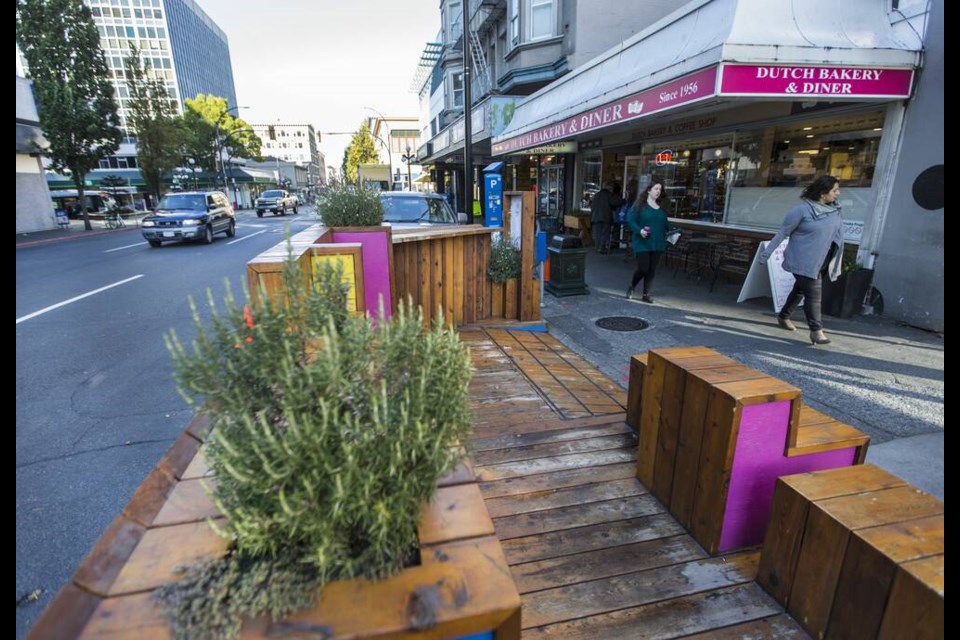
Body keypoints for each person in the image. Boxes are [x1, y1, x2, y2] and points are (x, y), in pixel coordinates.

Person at [758, 175, 843, 345]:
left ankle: (783, 316)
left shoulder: (835, 210)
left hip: (824, 261)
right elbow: (783, 232)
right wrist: (765, 255)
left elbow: (837, 236)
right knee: (814, 294)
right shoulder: (801, 210)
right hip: (803, 260)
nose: (838, 194)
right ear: (822, 193)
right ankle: (816, 331)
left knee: (800, 290)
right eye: (834, 190)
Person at [626, 177, 674, 303]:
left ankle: (646, 294)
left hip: (657, 243)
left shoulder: (661, 207)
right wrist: (640, 230)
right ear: (649, 190)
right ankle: (632, 286)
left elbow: (666, 224)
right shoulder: (640, 205)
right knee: (643, 268)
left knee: (651, 270)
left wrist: (675, 231)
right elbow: (630, 220)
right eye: (655, 188)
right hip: (642, 242)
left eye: (660, 189)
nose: (658, 191)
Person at [589, 181, 622, 254]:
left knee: (597, 233)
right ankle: (601, 248)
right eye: (612, 188)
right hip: (605, 217)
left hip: (595, 217)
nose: (612, 189)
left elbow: (592, 206)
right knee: (605, 233)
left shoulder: (596, 195)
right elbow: (614, 203)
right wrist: (622, 201)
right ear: (609, 187)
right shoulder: (609, 195)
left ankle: (597, 247)